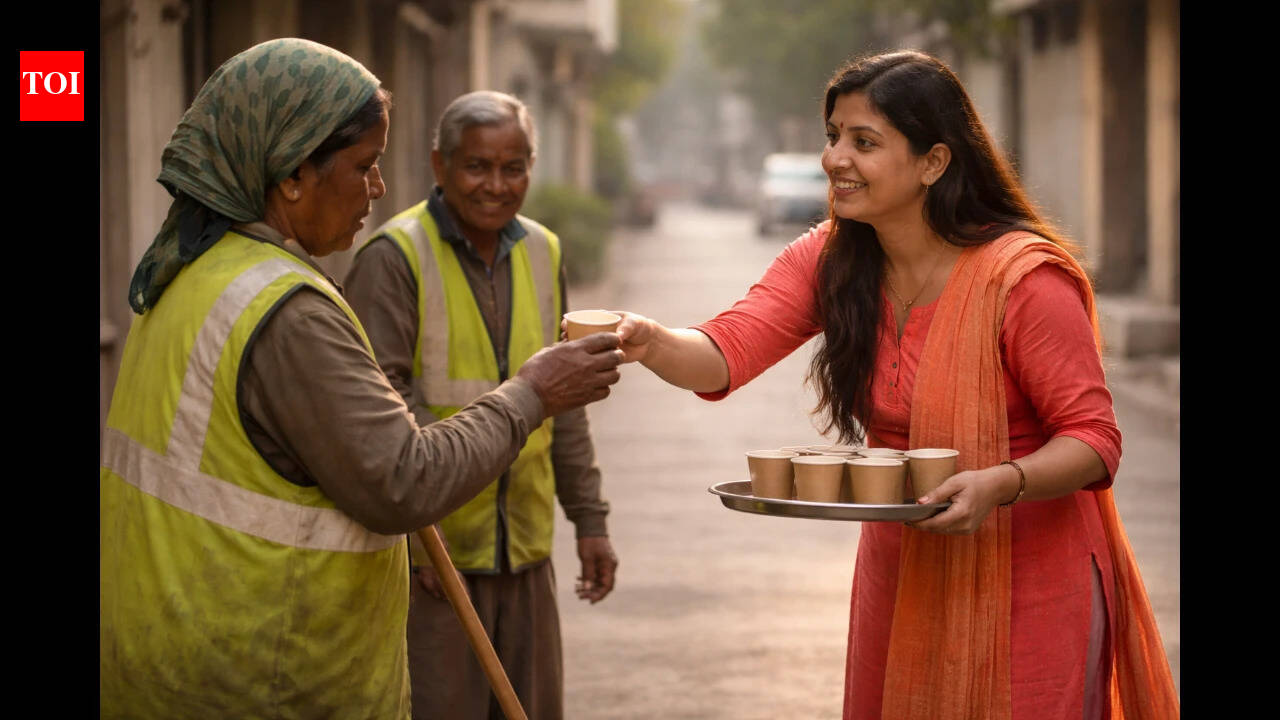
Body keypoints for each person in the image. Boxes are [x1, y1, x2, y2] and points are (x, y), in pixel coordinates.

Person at [609, 51, 1178, 720]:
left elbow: (1094, 442)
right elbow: (724, 352)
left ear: (933, 163)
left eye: (864, 142)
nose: (835, 159)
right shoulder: (832, 256)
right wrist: (648, 340)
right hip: (902, 569)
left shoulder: (1023, 281)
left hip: (1029, 577)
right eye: (832, 137)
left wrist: (999, 482)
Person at [99, 39, 623, 719]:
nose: (377, 187)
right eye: (364, 166)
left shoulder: (187, 273)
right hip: (265, 673)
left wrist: (588, 515)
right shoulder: (288, 310)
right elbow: (402, 480)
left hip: (173, 655)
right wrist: (532, 393)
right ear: (290, 176)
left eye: (514, 167)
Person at [344, 90, 618, 720]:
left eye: (513, 167)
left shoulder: (543, 251)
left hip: (524, 554)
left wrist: (591, 520)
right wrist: (420, 547)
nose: (496, 185)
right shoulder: (394, 257)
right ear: (440, 167)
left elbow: (565, 402)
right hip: (436, 567)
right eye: (477, 167)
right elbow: (378, 416)